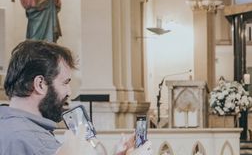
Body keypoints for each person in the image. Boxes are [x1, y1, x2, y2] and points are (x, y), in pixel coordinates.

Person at [0, 40, 151, 155]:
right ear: (40, 84)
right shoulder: (33, 140)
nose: (69, 92)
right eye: (65, 82)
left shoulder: (9, 126)